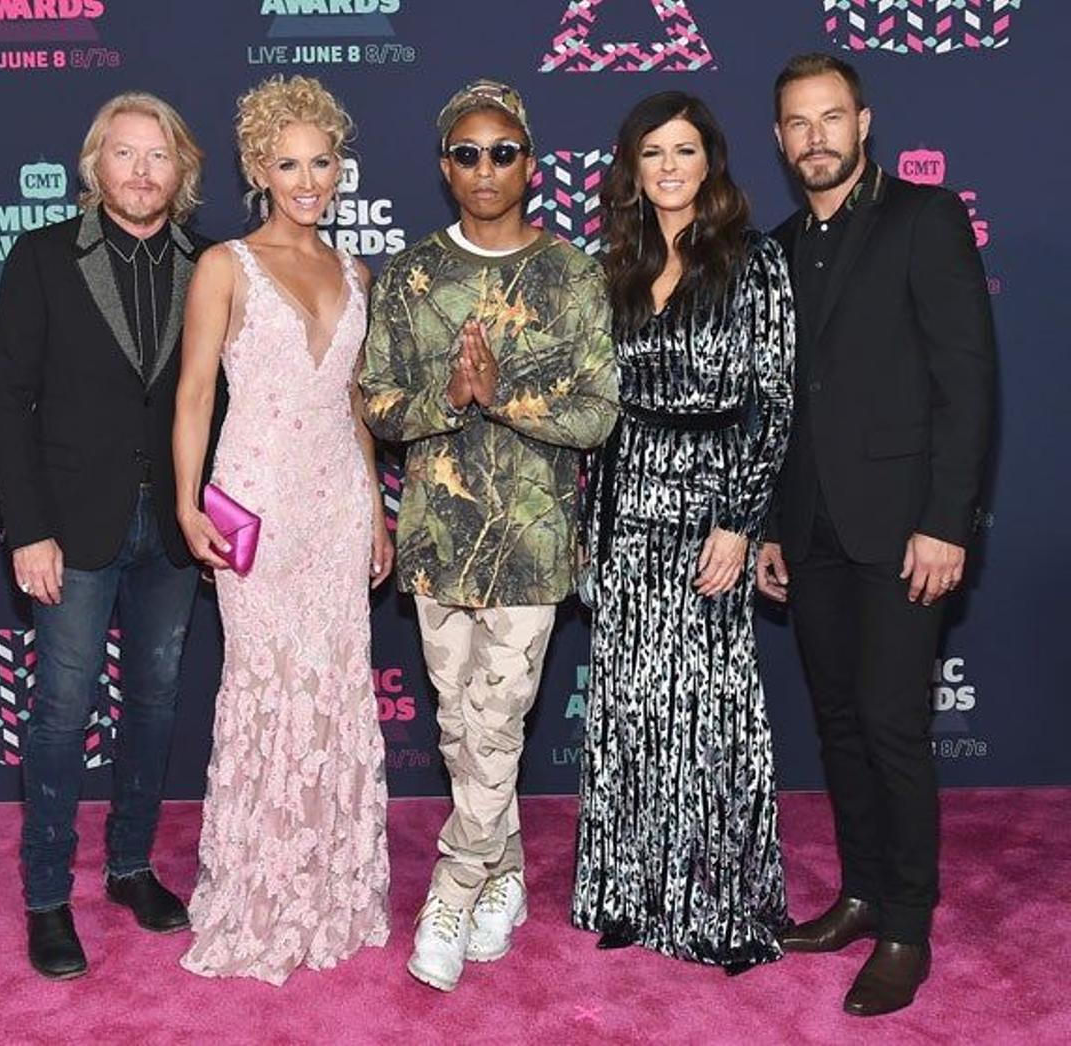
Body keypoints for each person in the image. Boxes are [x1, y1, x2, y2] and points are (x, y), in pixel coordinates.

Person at [360, 79, 618, 992]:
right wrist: (451, 398)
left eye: (501, 151)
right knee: (464, 731)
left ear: (530, 164)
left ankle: (454, 886)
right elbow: (379, 406)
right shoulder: (411, 275)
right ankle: (506, 877)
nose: (484, 167)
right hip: (435, 542)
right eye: (466, 152)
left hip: (533, 546)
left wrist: (502, 396)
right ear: (444, 167)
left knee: (496, 725)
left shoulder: (574, 274)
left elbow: (597, 415)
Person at [757, 54, 997, 1016]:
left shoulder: (922, 220)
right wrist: (774, 524)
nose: (814, 137)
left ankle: (906, 924)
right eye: (796, 123)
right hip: (811, 528)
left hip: (904, 531)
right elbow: (778, 404)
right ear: (780, 139)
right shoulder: (776, 247)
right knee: (842, 722)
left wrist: (946, 523)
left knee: (895, 726)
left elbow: (967, 384)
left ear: (864, 124)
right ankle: (858, 893)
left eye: (830, 118)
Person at [0, 92, 225, 979]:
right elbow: (7, 402)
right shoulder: (44, 257)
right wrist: (30, 529)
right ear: (97, 166)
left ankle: (129, 867)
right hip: (72, 527)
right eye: (124, 154)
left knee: (157, 703)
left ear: (182, 171)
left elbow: (223, 405)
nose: (141, 172)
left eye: (158, 157)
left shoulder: (210, 263)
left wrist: (214, 512)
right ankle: (47, 894)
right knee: (59, 710)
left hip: (172, 528)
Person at [173, 75, 392, 985]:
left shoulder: (357, 272)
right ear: (259, 169)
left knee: (335, 686)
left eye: (322, 162)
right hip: (255, 503)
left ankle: (332, 887)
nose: (308, 179)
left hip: (337, 503)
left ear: (341, 167)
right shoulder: (226, 263)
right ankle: (261, 892)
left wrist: (378, 503)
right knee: (265, 683)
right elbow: (193, 394)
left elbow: (355, 404)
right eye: (287, 163)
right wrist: (189, 504)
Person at [571, 92, 795, 972]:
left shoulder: (753, 261)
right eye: (652, 152)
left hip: (711, 507)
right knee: (628, 701)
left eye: (685, 150)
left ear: (712, 162)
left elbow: (771, 407)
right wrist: (591, 524)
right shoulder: (613, 265)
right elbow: (601, 411)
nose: (669, 166)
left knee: (710, 705)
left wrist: (740, 522)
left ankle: (717, 900)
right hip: (624, 503)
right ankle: (629, 889)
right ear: (633, 165)